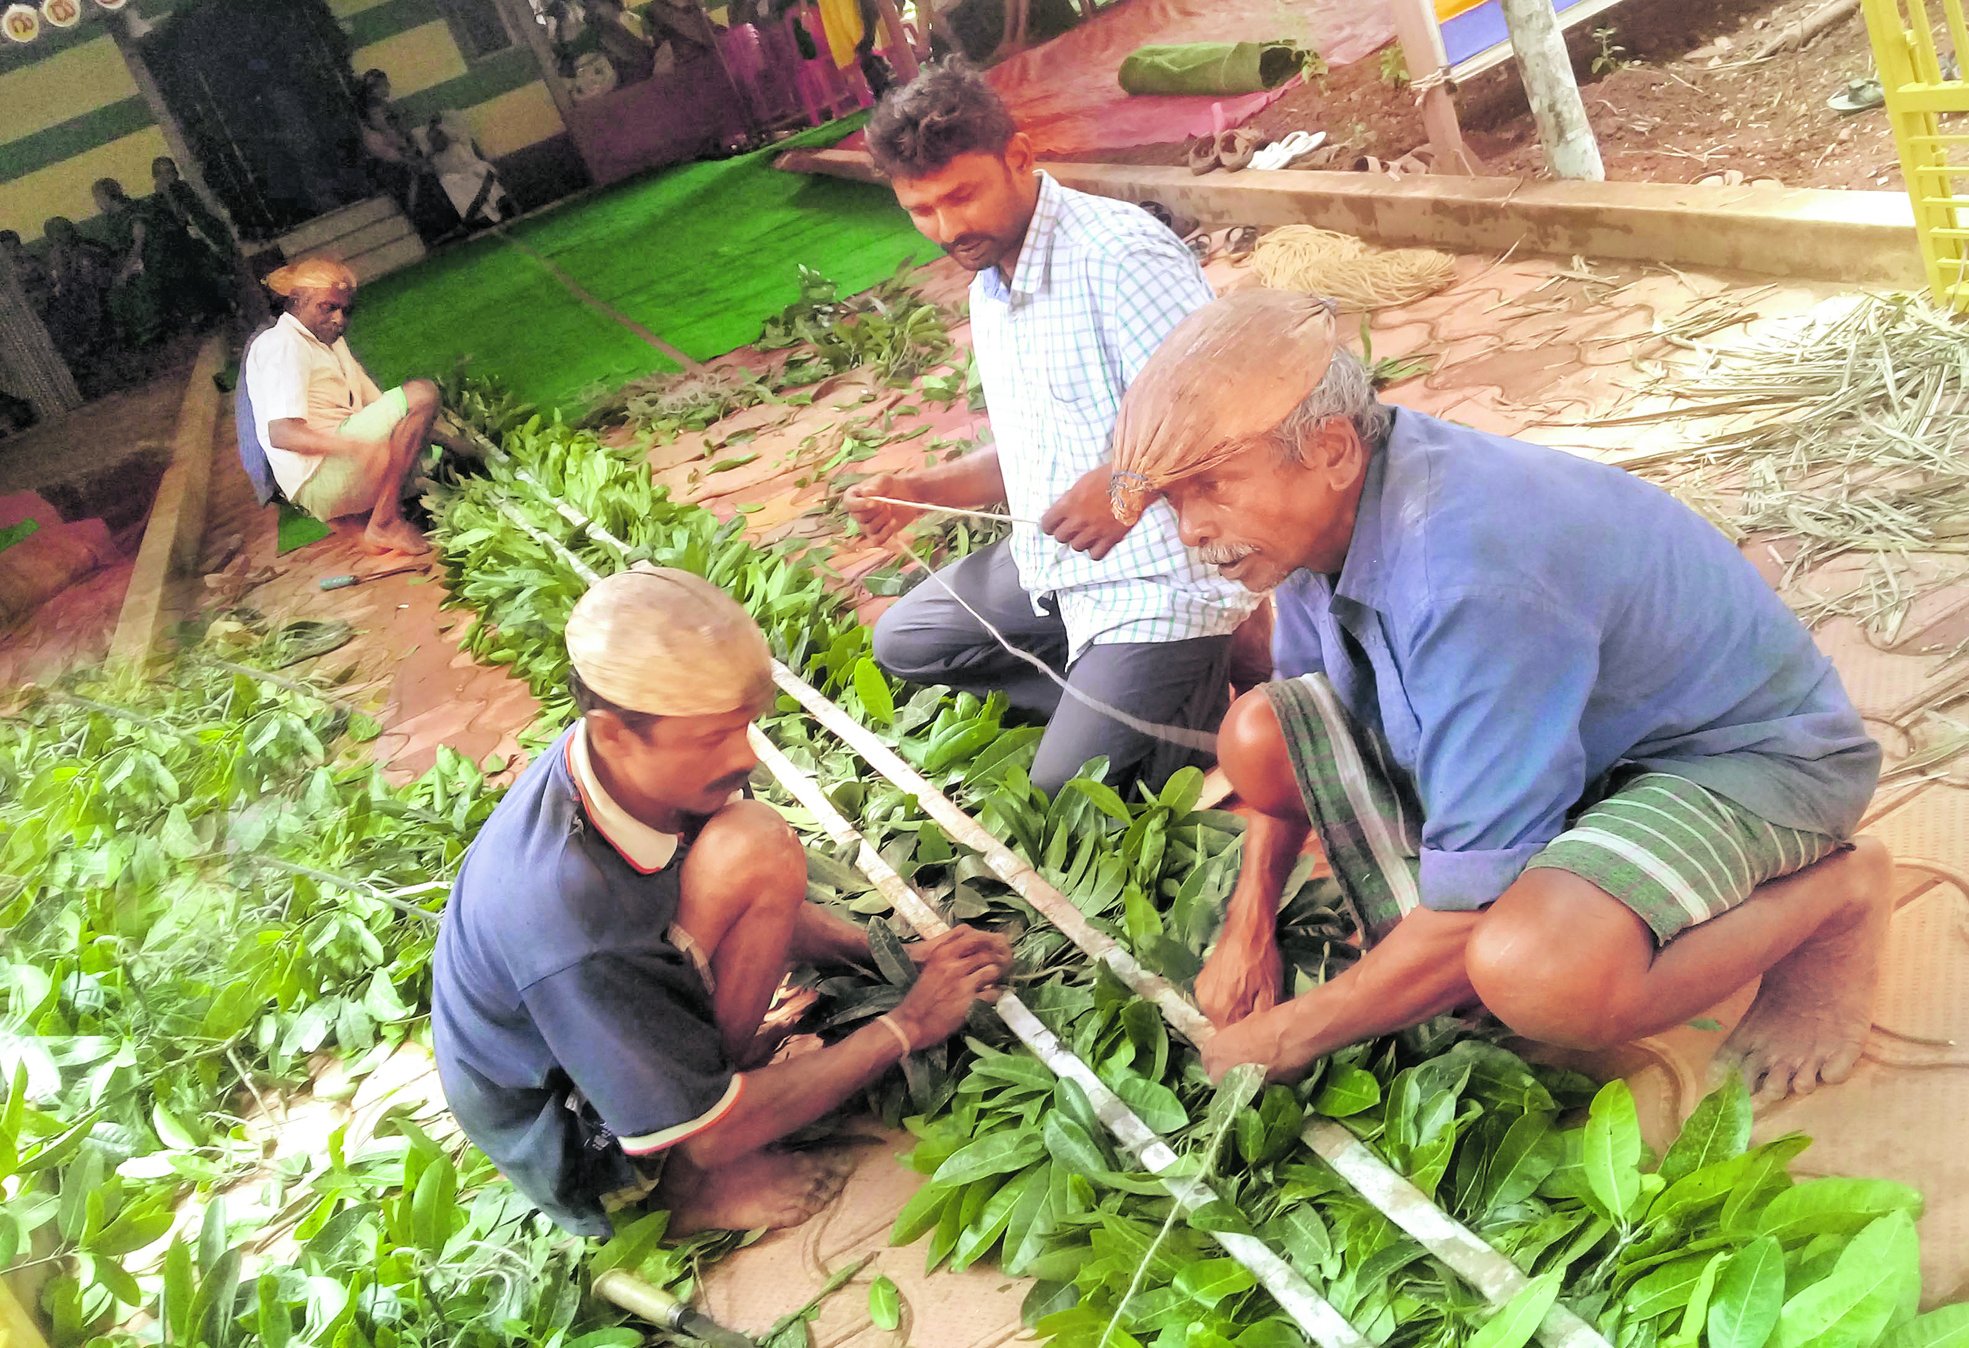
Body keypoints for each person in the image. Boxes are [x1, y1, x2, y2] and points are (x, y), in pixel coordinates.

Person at [1105, 288, 1887, 1105]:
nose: (1189, 530)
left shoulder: (1467, 574)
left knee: (1536, 974)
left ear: (1331, 449)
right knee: (1264, 732)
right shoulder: (1320, 519)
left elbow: (1471, 918)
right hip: (1586, 737)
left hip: (1746, 760)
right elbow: (1310, 721)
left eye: (1212, 488)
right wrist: (1248, 920)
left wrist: (1288, 1035)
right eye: (1171, 501)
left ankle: (1837, 899)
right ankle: (1545, 879)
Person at [432, 567, 1014, 1236]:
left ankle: (693, 1084)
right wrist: (908, 1024)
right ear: (617, 733)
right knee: (702, 1135)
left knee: (753, 844)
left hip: (598, 1023)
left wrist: (890, 953)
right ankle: (680, 1186)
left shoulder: (627, 768)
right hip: (573, 1136)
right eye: (713, 738)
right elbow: (595, 957)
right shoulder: (567, 916)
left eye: (744, 727)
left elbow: (754, 889)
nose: (745, 755)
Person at [843, 62, 1259, 799]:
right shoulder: (989, 280)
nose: (948, 229)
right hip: (1057, 561)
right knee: (902, 642)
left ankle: (1184, 703)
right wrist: (921, 489)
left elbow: (1226, 410)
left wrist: (1129, 484)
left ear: (1020, 157)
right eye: (922, 209)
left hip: (1158, 578)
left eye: (962, 196)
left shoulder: (1118, 256)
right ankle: (1119, 701)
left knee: (1067, 794)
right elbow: (1040, 445)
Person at [242, 257, 459, 555]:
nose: (339, 319)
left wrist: (452, 442)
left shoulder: (329, 340)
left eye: (346, 310)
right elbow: (283, 434)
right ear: (297, 301)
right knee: (422, 393)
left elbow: (385, 407)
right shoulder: (281, 344)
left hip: (340, 464)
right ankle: (384, 521)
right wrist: (355, 448)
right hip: (320, 476)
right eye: (328, 307)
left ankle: (360, 518)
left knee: (433, 460)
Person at [147, 158, 233, 327]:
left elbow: (184, 217)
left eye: (169, 172)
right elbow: (163, 226)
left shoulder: (183, 189)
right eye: (161, 173)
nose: (166, 177)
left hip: (199, 240)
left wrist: (169, 195)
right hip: (178, 247)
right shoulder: (155, 201)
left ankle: (222, 306)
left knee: (207, 267)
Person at [36, 219, 116, 389]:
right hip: (73, 299)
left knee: (86, 313)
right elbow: (55, 281)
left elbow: (97, 275)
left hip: (95, 292)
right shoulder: (54, 256)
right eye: (55, 234)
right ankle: (82, 364)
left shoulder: (87, 248)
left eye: (64, 230)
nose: (61, 236)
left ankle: (90, 354)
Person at [91, 179, 163, 348]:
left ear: (106, 196)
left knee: (125, 286)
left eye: (97, 198)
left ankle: (149, 329)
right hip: (130, 261)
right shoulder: (112, 218)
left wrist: (124, 273)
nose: (97, 203)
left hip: (149, 257)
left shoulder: (134, 212)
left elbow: (139, 244)